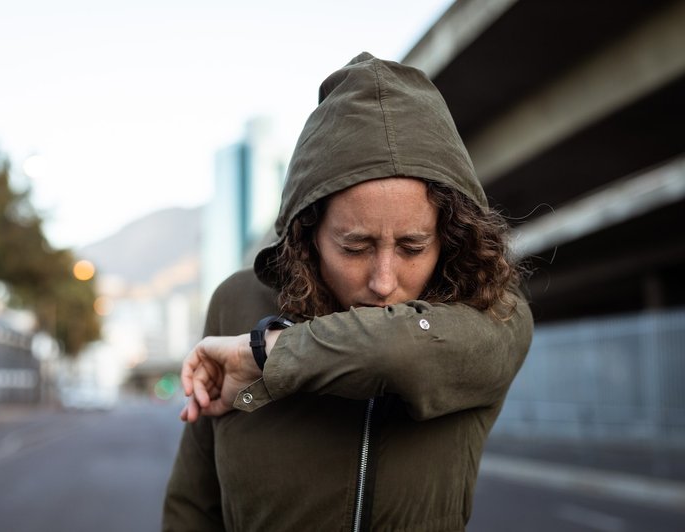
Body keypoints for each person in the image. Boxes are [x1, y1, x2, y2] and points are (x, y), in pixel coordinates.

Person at [163, 52, 533, 532]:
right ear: (308, 233)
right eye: (355, 246)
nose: (383, 281)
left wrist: (268, 353)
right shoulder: (237, 303)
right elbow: (193, 506)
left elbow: (396, 351)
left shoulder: (493, 315)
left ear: (449, 237)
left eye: (412, 246)